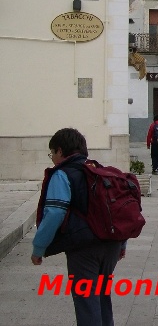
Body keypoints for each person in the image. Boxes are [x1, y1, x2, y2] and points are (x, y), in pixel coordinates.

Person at [31, 128, 125, 326]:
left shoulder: (62, 175)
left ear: (60, 150)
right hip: (111, 245)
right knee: (102, 298)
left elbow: (55, 212)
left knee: (87, 303)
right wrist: (122, 244)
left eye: (52, 154)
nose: (52, 159)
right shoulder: (99, 170)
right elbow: (116, 209)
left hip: (84, 249)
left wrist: (39, 247)